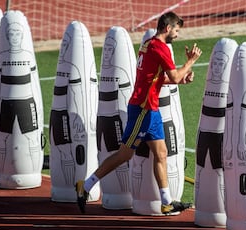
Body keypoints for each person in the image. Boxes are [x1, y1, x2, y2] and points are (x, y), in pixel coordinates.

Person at [75, 11, 202, 215]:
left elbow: (154, 78)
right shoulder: (160, 49)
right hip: (143, 109)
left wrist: (181, 78)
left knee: (161, 153)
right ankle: (86, 185)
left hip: (150, 109)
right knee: (125, 153)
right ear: (167, 28)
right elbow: (175, 77)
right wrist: (190, 62)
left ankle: (167, 202)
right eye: (176, 30)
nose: (177, 35)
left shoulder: (148, 45)